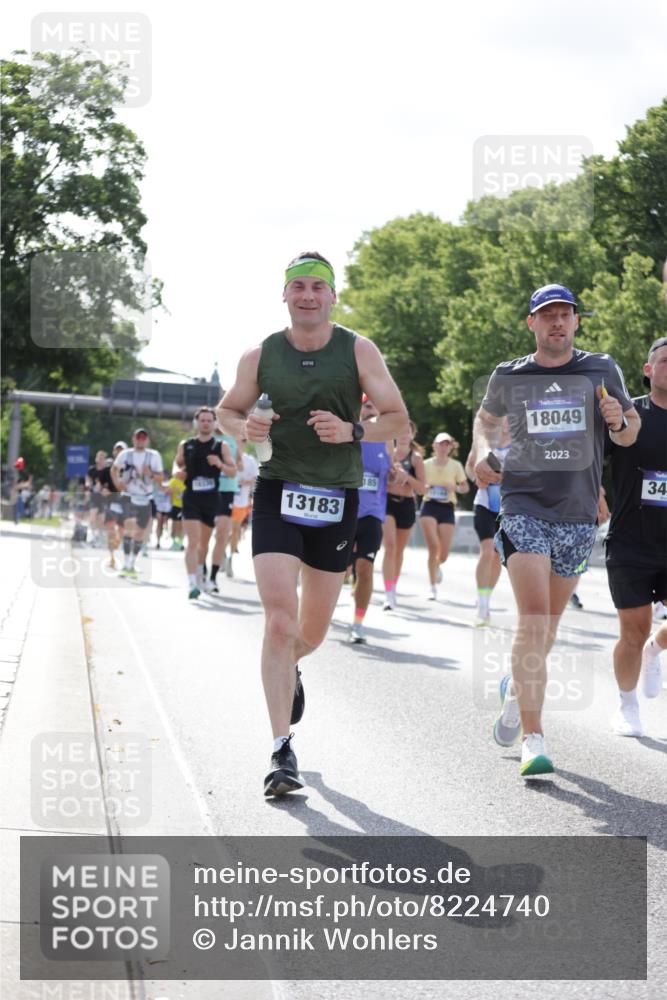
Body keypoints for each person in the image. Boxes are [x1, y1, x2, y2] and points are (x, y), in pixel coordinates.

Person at [217, 251, 407, 797]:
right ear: (284, 295)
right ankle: (281, 750)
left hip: (337, 498)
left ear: (331, 297)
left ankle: (289, 668)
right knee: (280, 622)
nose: (306, 295)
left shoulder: (358, 349)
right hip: (279, 491)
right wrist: (245, 426)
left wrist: (352, 431)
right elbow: (228, 411)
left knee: (311, 634)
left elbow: (397, 419)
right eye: (296, 286)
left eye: (316, 287)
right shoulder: (260, 355)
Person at [473, 283, 639, 777]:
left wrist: (617, 421)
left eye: (565, 314)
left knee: (548, 626)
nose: (557, 323)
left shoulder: (601, 369)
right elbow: (485, 423)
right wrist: (480, 454)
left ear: (576, 322)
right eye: (547, 316)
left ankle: (514, 691)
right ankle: (534, 738)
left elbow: (630, 432)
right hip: (523, 504)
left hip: (577, 512)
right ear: (533, 324)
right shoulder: (510, 375)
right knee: (533, 619)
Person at [605, 337, 667, 736]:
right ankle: (627, 706)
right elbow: (592, 456)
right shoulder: (632, 415)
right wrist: (593, 493)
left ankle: (655, 651)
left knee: (648, 636)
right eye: (665, 361)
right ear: (648, 370)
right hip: (631, 539)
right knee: (633, 629)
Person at [174, 407, 236, 599]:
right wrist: (178, 471)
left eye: (210, 420)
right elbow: (177, 463)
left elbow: (232, 471)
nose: (206, 423)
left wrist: (219, 464)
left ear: (215, 423)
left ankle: (202, 573)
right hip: (191, 497)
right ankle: (192, 583)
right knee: (192, 542)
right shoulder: (186, 445)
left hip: (211, 499)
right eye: (202, 420)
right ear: (196, 423)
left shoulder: (221, 446)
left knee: (204, 544)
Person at [348, 397, 393, 644]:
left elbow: (391, 471)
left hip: (372, 514)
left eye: (375, 407)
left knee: (365, 568)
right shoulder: (346, 433)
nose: (370, 411)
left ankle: (357, 623)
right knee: (337, 570)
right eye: (366, 406)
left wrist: (397, 475)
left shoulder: (385, 440)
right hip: (343, 512)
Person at [465, 417, 511, 625]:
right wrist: (478, 477)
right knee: (487, 550)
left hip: (507, 509)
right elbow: (469, 466)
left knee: (497, 556)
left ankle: (486, 596)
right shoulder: (484, 444)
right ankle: (483, 605)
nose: (507, 422)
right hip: (484, 504)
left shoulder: (521, 446)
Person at [382, 420, 426, 611]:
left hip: (407, 505)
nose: (404, 434)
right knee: (390, 547)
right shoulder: (387, 454)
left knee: (399, 551)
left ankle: (393, 588)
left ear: (412, 435)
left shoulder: (416, 459)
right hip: (387, 503)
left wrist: (407, 477)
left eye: (407, 432)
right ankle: (387, 594)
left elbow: (423, 489)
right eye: (400, 431)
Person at [419, 432, 469, 600]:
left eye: (446, 444)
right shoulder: (425, 464)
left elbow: (465, 488)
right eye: (440, 444)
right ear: (434, 446)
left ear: (450, 447)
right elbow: (417, 484)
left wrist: (455, 487)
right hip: (429, 505)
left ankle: (437, 565)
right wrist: (424, 486)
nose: (443, 447)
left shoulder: (455, 465)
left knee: (444, 553)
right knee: (433, 546)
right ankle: (432, 587)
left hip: (447, 507)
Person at [111, 429, 164, 580]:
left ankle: (132, 563)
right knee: (129, 527)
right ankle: (126, 563)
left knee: (140, 533)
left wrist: (150, 474)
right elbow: (114, 469)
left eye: (143, 438)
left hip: (146, 498)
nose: (140, 440)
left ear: (147, 440)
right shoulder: (125, 454)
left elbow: (160, 478)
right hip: (128, 496)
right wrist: (117, 484)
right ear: (133, 439)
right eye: (138, 438)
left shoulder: (153, 456)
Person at [210, 429, 240, 588]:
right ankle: (202, 568)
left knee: (222, 533)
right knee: (204, 536)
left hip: (227, 489)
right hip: (207, 490)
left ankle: (212, 577)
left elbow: (238, 463)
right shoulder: (206, 437)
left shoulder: (234, 439)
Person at [229, 434, 259, 573]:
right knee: (223, 530)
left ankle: (229, 556)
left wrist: (245, 482)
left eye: (240, 442)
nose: (237, 444)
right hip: (226, 499)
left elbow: (256, 478)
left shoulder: (250, 460)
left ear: (244, 444)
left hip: (241, 500)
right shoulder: (226, 457)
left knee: (235, 529)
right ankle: (224, 551)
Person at [85, 450, 113, 547]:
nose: (100, 460)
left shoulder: (107, 471)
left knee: (101, 518)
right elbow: (87, 479)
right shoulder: (92, 469)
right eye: (99, 457)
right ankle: (92, 535)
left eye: (102, 458)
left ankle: (100, 536)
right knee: (92, 515)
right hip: (94, 496)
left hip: (103, 497)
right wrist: (88, 485)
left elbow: (110, 484)